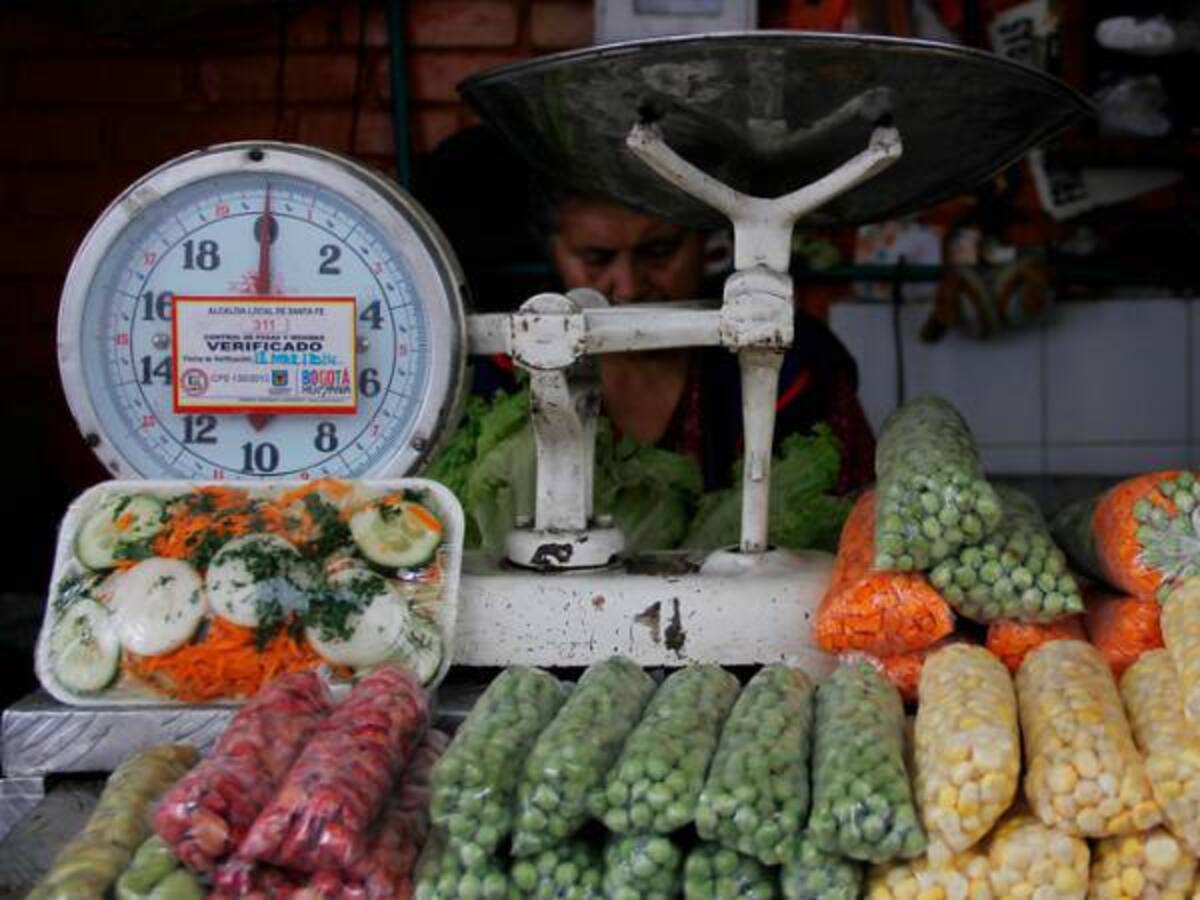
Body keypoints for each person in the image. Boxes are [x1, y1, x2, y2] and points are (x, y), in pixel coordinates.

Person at [417, 127, 876, 494]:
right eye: (596, 258)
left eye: (658, 250)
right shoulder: (497, 372)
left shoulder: (790, 369)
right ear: (554, 250)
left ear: (704, 240)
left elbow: (853, 523)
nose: (629, 286)